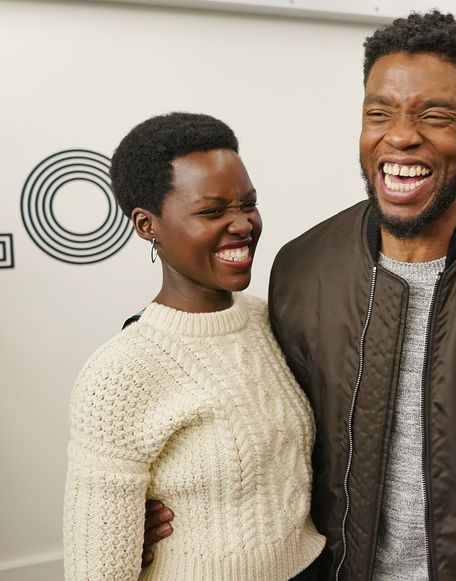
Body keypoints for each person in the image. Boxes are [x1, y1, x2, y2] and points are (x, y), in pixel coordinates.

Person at [146, 11, 456, 580]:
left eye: (435, 116)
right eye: (379, 113)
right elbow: (266, 429)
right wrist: (171, 503)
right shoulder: (302, 270)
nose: (399, 135)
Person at [63, 112, 325, 580]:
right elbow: (98, 570)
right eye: (212, 211)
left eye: (248, 204)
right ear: (147, 225)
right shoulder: (120, 373)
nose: (242, 224)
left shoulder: (272, 319)